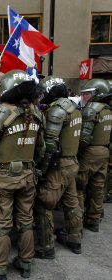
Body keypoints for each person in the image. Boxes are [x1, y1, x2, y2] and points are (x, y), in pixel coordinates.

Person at [0, 70, 45, 280]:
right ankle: (26, 263)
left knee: (2, 224)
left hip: (3, 178)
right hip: (27, 175)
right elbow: (42, 148)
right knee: (26, 221)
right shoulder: (36, 113)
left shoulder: (1, 114)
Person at [34, 76, 83, 259]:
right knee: (71, 203)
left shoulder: (57, 110)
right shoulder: (74, 108)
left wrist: (42, 169)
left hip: (58, 165)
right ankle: (74, 239)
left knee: (43, 203)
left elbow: (50, 145)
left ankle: (46, 246)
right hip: (72, 163)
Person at [76, 79, 112, 233]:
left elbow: (83, 139)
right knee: (98, 187)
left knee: (79, 187)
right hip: (104, 152)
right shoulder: (108, 110)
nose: (84, 98)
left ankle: (76, 225)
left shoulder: (92, 110)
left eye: (87, 94)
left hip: (90, 153)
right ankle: (94, 219)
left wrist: (76, 153)